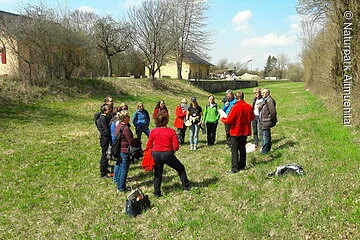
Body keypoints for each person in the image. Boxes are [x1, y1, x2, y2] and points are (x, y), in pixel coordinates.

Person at [146, 111, 191, 197]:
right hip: (167, 154)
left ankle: (156, 193)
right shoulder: (171, 131)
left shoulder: (153, 131)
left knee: (158, 174)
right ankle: (186, 185)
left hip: (156, 154)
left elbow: (149, 145)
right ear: (166, 120)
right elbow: (176, 146)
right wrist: (172, 151)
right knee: (180, 168)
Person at [221, 91, 255, 173]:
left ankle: (234, 168)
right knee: (242, 148)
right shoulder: (248, 106)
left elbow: (229, 119)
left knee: (234, 150)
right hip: (245, 131)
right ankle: (242, 165)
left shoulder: (235, 107)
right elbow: (252, 117)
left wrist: (222, 118)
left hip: (236, 131)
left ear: (236, 97)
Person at [113, 110, 134, 192]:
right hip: (125, 150)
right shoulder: (126, 129)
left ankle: (117, 180)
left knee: (118, 165)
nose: (129, 117)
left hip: (119, 149)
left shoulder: (119, 126)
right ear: (125, 118)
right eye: (128, 116)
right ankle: (121, 187)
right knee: (124, 169)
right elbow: (131, 141)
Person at [259, 88, 277, 154]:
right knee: (266, 136)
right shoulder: (265, 100)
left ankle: (265, 151)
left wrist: (272, 120)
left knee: (266, 137)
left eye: (263, 93)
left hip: (267, 121)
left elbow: (273, 112)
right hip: (264, 120)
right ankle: (267, 149)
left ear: (267, 93)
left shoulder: (269, 100)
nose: (261, 94)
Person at [96, 104, 112, 178]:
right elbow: (106, 130)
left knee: (106, 155)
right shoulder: (103, 119)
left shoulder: (105, 117)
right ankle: (103, 172)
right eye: (108, 109)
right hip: (104, 139)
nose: (110, 110)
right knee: (104, 155)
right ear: (105, 111)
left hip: (106, 138)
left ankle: (105, 168)